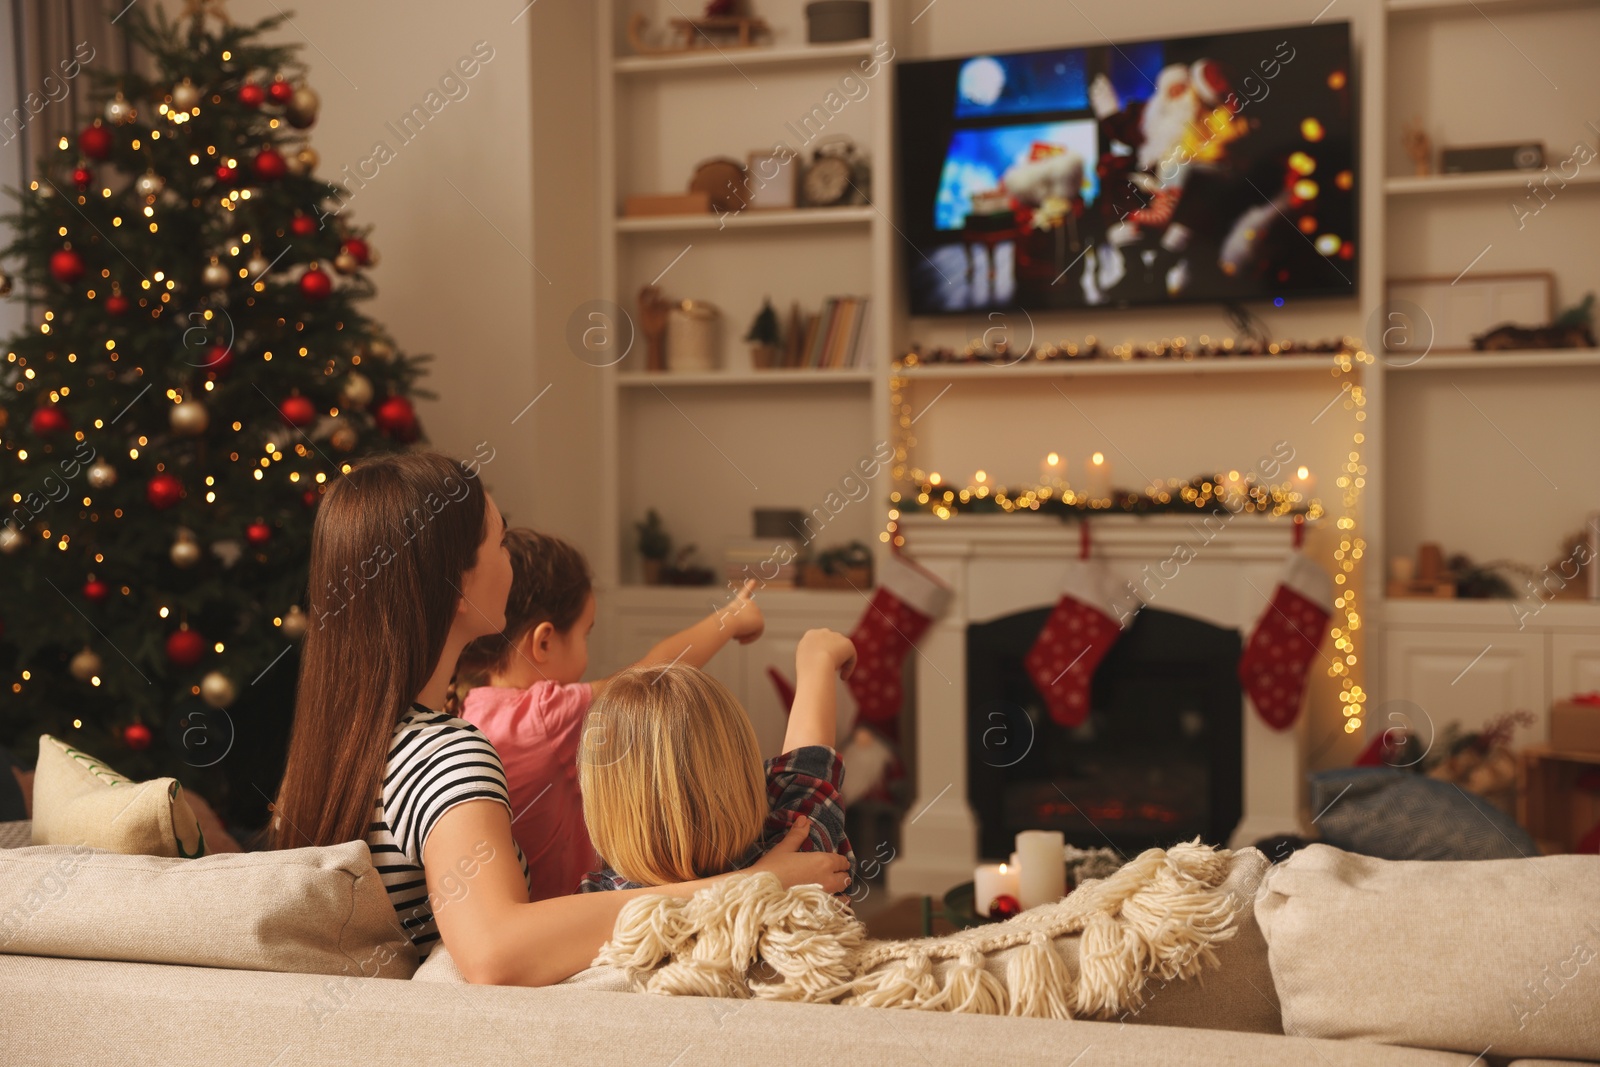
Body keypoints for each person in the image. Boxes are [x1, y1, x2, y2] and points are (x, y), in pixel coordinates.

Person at [268, 451, 847, 986]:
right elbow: (495, 951)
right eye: (499, 546)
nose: (511, 564)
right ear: (459, 585)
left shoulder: (334, 746)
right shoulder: (445, 755)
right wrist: (746, 885)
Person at [447, 528, 764, 901]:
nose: (587, 652)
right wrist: (732, 617)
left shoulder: (467, 705)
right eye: (586, 634)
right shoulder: (545, 718)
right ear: (544, 641)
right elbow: (654, 671)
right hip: (570, 919)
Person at [578, 627, 858, 893]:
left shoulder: (597, 902)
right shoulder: (798, 859)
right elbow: (806, 773)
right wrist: (817, 661)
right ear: (747, 780)